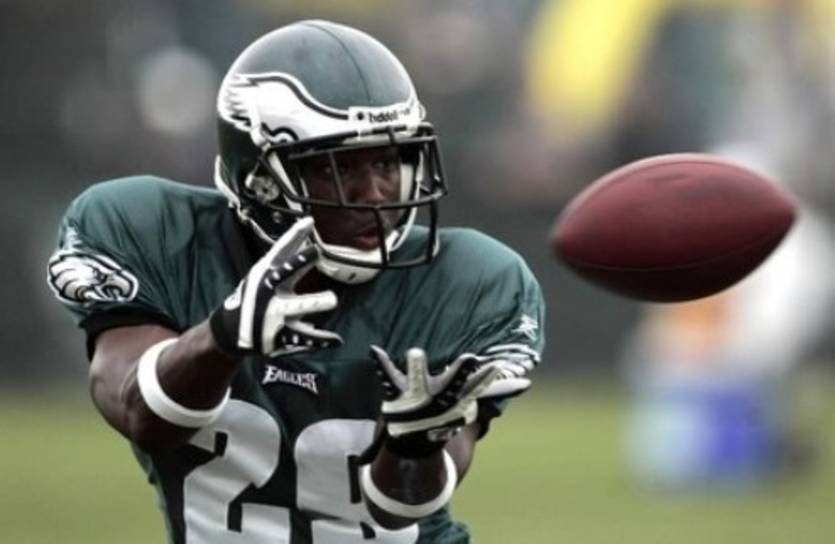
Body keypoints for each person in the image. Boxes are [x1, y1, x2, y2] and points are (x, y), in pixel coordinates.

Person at [46, 19, 545, 544]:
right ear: (260, 177)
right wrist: (221, 337)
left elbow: (401, 508)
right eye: (337, 169)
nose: (376, 193)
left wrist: (414, 447)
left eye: (387, 160)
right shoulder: (154, 231)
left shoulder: (468, 278)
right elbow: (140, 413)